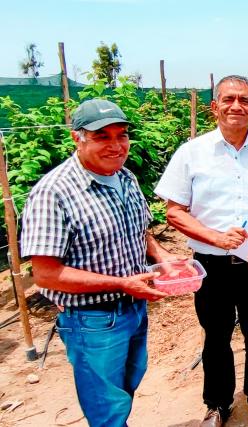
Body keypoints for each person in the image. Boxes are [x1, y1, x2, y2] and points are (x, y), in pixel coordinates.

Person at [21, 98, 181, 426]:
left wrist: (161, 256)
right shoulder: (54, 193)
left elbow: (141, 230)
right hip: (92, 320)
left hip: (134, 310)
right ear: (76, 138)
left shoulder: (125, 178)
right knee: (107, 408)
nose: (115, 145)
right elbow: (46, 274)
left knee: (125, 389)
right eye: (102, 136)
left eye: (121, 135)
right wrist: (122, 283)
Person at [155, 75, 248, 427]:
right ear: (214, 106)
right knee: (216, 334)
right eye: (228, 99)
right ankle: (218, 403)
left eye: (245, 100)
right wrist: (214, 237)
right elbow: (173, 211)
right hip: (210, 264)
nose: (237, 106)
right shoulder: (191, 153)